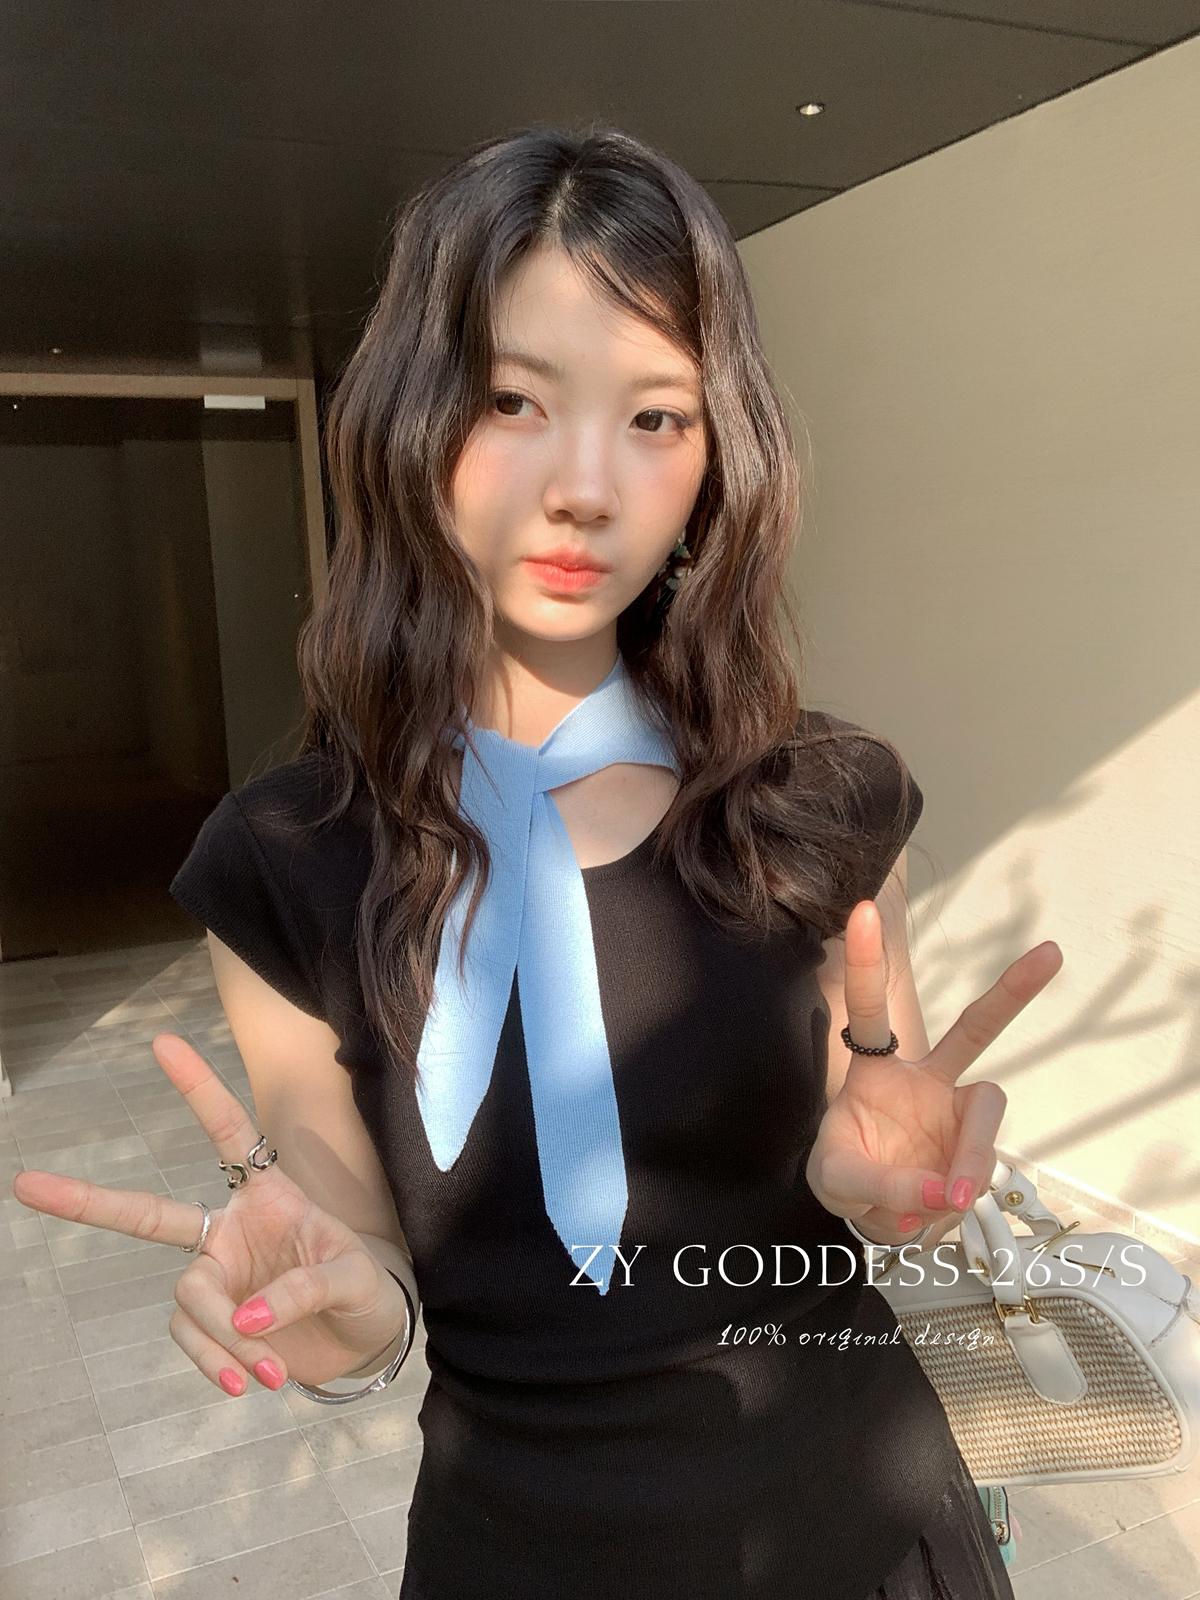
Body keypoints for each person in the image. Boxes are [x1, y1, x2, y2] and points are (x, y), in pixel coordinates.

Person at [12, 123, 1062, 1599]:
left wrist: (887, 1206)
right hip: (519, 1548)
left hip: (861, 1523)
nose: (585, 487)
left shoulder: (820, 796)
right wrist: (343, 1324)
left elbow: (869, 1144)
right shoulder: (284, 861)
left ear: (717, 462)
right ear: (409, 417)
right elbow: (361, 1258)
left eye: (657, 417)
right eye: (514, 399)